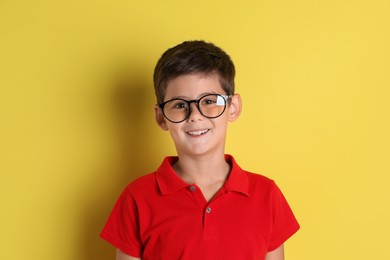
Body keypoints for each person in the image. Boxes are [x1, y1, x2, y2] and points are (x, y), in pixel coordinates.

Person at [101, 40, 300, 260]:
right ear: (161, 117)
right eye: (179, 104)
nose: (195, 115)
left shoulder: (266, 195)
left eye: (209, 101)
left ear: (232, 107)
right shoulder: (136, 198)